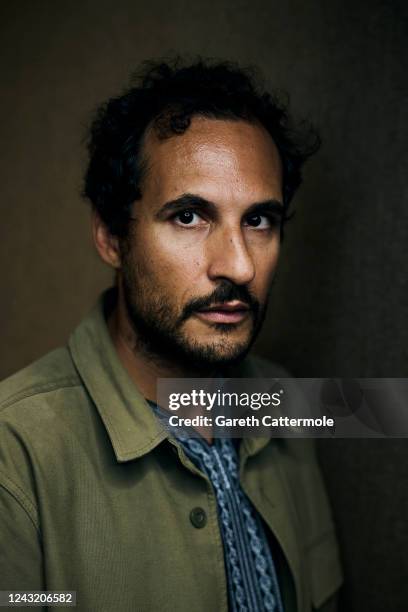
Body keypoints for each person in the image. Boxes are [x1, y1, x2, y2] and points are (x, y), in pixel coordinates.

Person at [0, 58, 343, 611]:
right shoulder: (13, 455)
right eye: (189, 216)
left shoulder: (287, 404)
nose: (240, 266)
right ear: (112, 236)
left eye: (259, 221)